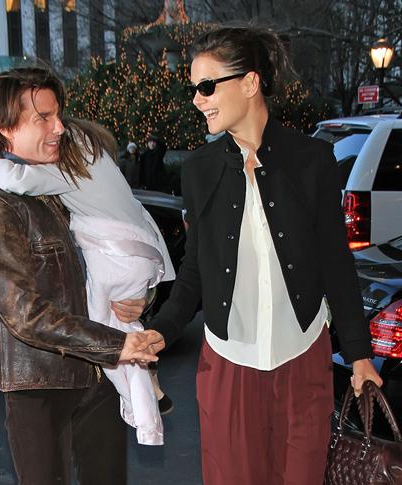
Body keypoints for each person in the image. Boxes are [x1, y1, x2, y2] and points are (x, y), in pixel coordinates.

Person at [144, 25, 383, 485]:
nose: (197, 100)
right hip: (228, 363)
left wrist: (358, 354)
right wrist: (162, 330)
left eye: (207, 86)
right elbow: (194, 270)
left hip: (303, 358)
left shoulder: (312, 160)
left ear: (250, 82)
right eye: (194, 88)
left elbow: (335, 263)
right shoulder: (199, 170)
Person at [0, 67, 159, 485]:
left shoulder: (58, 185)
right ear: (5, 128)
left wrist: (143, 297)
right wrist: (116, 345)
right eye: (44, 118)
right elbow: (24, 314)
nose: (60, 128)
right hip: (40, 386)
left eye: (58, 115)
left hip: (98, 378)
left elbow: (117, 248)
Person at [0, 117, 175, 446]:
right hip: (137, 256)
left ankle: (142, 412)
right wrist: (148, 291)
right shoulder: (99, 160)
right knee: (121, 331)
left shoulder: (69, 170)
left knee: (106, 339)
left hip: (117, 257)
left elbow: (19, 180)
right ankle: (150, 393)